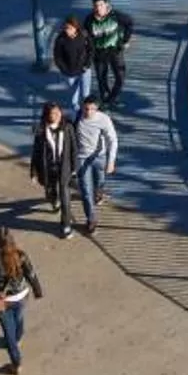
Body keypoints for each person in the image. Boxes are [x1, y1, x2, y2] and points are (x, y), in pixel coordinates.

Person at [0, 226, 43, 372]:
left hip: (2, 301)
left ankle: (16, 363)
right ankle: (18, 338)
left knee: (8, 332)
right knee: (19, 319)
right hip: (21, 297)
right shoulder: (20, 256)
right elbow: (31, 274)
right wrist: (37, 290)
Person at [69, 97, 117, 235]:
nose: (88, 112)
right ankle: (91, 219)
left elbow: (112, 140)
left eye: (92, 109)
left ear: (97, 109)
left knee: (99, 181)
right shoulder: (75, 115)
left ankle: (99, 191)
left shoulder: (104, 119)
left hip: (99, 157)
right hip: (82, 158)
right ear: (82, 107)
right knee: (85, 190)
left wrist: (111, 161)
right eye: (86, 108)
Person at [27, 102, 74, 237]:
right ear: (47, 115)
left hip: (63, 167)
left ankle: (66, 224)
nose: (56, 116)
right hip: (48, 167)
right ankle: (54, 200)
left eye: (58, 112)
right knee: (50, 190)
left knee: (65, 194)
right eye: (52, 113)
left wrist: (74, 167)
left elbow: (73, 148)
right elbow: (35, 152)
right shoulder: (41, 131)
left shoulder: (68, 127)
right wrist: (34, 172)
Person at [87, 0, 130, 107]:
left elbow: (129, 23)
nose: (98, 8)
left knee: (120, 76)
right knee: (102, 78)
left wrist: (125, 40)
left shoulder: (115, 16)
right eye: (96, 6)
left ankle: (112, 97)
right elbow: (86, 36)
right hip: (99, 52)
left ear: (106, 5)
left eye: (101, 5)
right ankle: (104, 99)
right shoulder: (89, 20)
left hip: (115, 50)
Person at [51, 16, 93, 112]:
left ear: (75, 28)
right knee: (73, 94)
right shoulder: (61, 39)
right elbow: (57, 56)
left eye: (69, 28)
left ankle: (86, 111)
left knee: (85, 94)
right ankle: (75, 113)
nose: (67, 30)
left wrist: (87, 64)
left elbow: (91, 49)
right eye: (65, 28)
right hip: (69, 72)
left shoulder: (83, 35)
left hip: (84, 70)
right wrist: (64, 69)